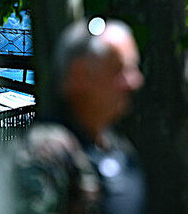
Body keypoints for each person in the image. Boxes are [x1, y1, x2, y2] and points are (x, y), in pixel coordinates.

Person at [12, 19, 146, 214]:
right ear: (79, 75)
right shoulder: (46, 154)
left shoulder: (120, 149)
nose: (134, 82)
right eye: (119, 69)